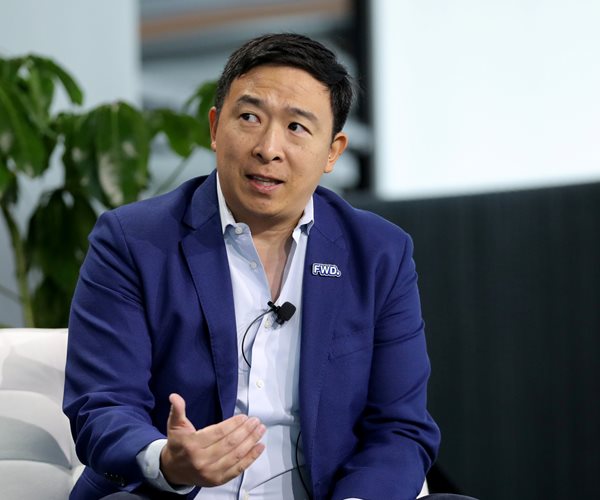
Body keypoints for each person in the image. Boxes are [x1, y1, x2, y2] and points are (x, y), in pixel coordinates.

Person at [63, 33, 475, 500]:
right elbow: (103, 405)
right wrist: (167, 459)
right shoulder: (133, 240)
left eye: (297, 127)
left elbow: (399, 427)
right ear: (215, 127)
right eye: (249, 117)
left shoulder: (379, 253)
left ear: (333, 151)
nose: (268, 147)